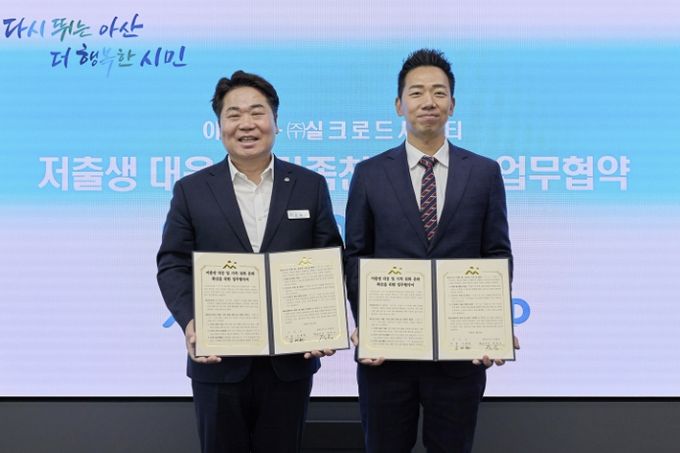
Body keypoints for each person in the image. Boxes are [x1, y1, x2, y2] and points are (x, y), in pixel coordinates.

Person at [157, 70, 343, 453]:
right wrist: (190, 322)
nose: (246, 124)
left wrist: (323, 322)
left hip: (289, 361)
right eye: (234, 114)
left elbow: (329, 257)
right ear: (219, 126)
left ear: (276, 122)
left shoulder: (309, 185)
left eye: (257, 113)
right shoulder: (192, 190)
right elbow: (173, 263)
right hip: (218, 359)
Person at [344, 49, 518, 453]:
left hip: (459, 355)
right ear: (399, 105)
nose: (428, 101)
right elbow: (356, 255)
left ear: (452, 105)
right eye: (417, 92)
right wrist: (367, 323)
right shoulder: (369, 173)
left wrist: (491, 323)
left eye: (439, 93)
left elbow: (496, 253)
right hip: (387, 354)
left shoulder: (484, 172)